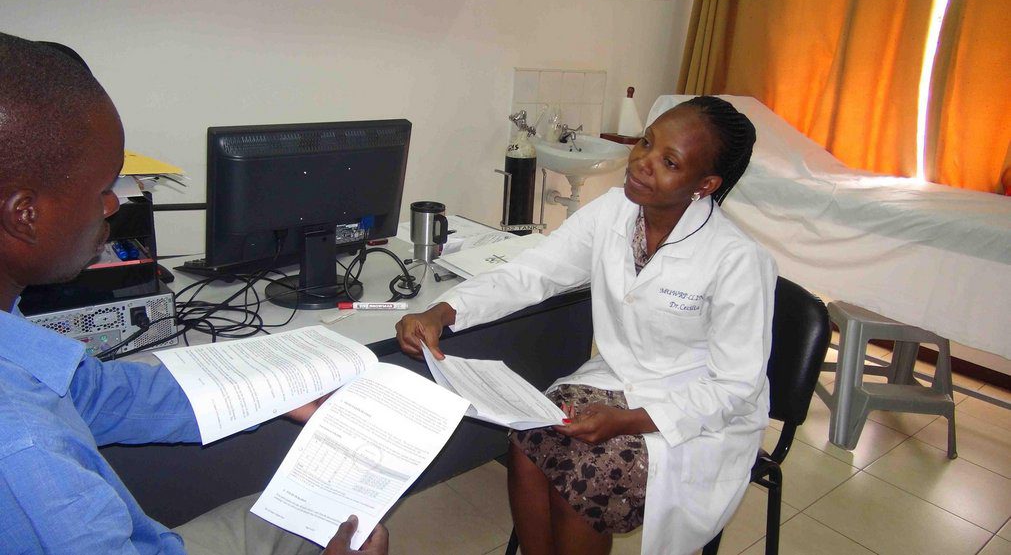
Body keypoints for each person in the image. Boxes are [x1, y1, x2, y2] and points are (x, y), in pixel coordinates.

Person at [0, 32, 388, 555]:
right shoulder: (24, 450)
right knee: (360, 526)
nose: (113, 207)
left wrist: (265, 391)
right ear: (25, 214)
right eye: (102, 189)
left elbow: (98, 395)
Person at [397, 96, 777, 555]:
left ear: (705, 184)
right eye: (646, 143)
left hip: (692, 410)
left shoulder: (737, 260)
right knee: (528, 439)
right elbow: (534, 271)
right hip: (616, 381)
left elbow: (736, 387)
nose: (642, 163)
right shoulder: (613, 211)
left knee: (584, 476)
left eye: (668, 162)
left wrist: (630, 421)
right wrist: (443, 311)